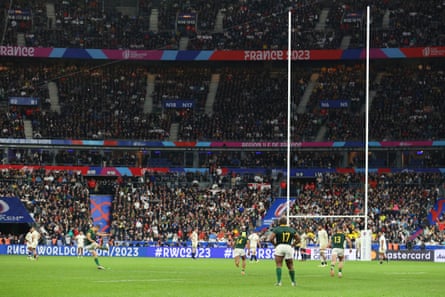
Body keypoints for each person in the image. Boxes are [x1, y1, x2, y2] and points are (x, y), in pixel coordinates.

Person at [268, 216, 300, 286]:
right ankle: (293, 282)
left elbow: (270, 238)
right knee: (290, 265)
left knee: (279, 264)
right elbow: (298, 238)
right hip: (288, 246)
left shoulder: (277, 229)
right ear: (286, 222)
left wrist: (275, 244)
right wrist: (293, 245)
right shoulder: (291, 229)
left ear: (279, 222)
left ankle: (279, 282)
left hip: (279, 246)